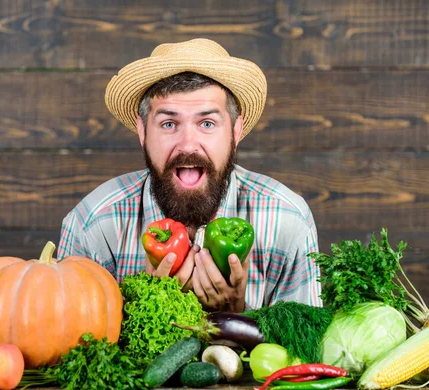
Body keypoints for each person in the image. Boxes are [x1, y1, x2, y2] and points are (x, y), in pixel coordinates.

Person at [58, 38, 321, 313]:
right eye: (169, 124)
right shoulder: (92, 226)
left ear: (235, 131)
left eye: (207, 123)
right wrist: (146, 309)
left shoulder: (288, 221)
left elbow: (306, 352)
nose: (187, 144)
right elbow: (65, 348)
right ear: (143, 131)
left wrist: (234, 317)